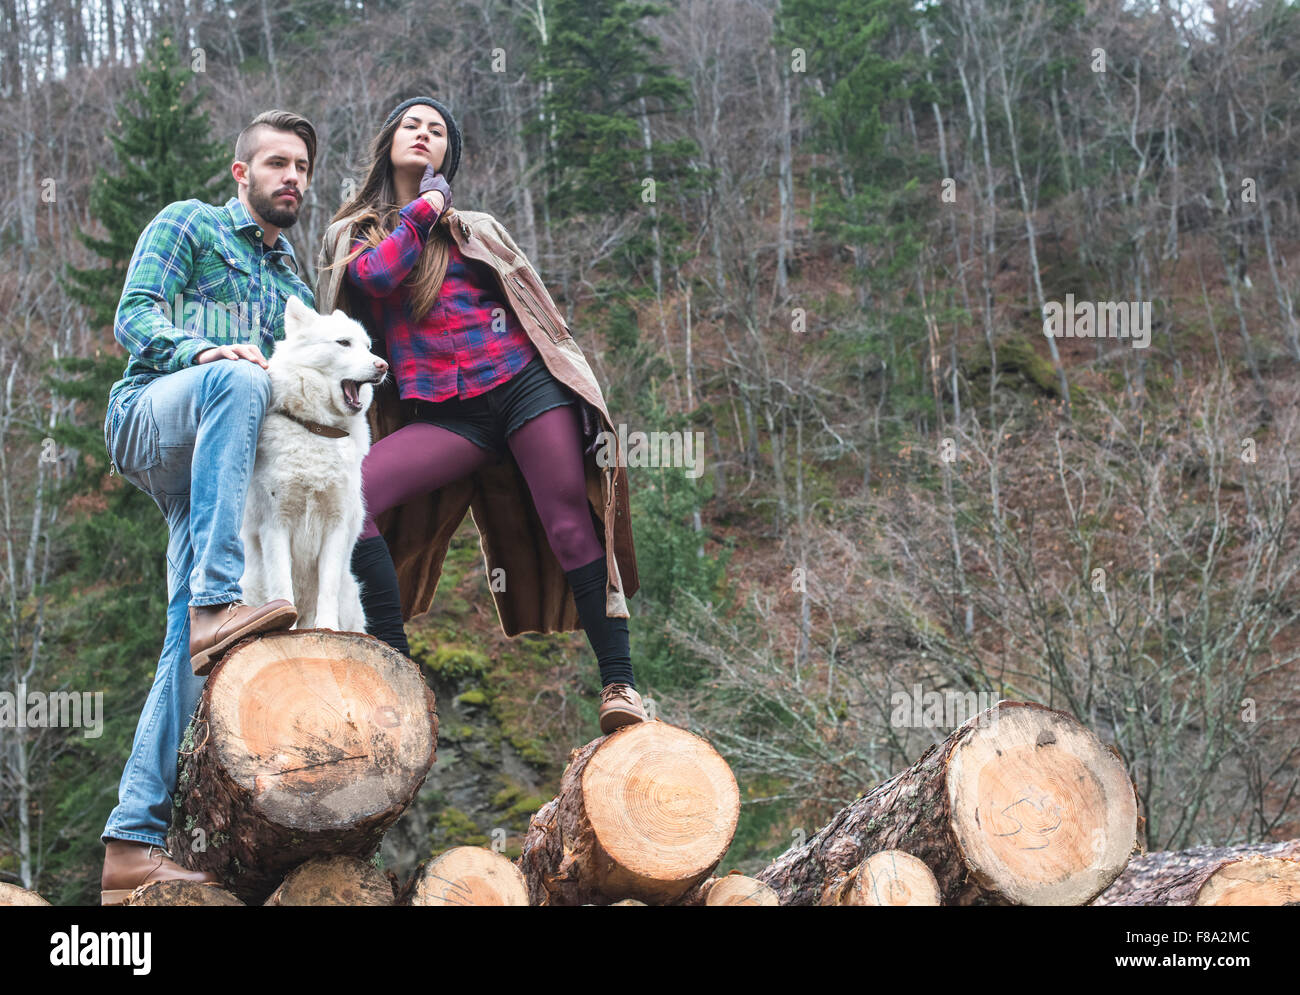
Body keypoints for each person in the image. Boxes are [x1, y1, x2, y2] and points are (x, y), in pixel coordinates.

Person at [317, 96, 646, 735]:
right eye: (412, 125)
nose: (423, 134)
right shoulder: (356, 231)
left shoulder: (475, 228)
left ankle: (621, 687)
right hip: (446, 415)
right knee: (347, 494)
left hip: (523, 388)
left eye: (437, 131)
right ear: (389, 141)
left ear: (448, 155)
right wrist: (425, 209)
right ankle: (396, 663)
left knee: (570, 524)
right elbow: (380, 279)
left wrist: (570, 387)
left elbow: (534, 311)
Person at [99, 110, 319, 905]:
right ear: (241, 173)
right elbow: (136, 316)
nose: (290, 176)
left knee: (185, 651)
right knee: (239, 378)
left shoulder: (297, 286)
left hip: (218, 475)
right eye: (275, 163)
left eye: (300, 166)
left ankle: (132, 837)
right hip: (152, 416)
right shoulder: (188, 225)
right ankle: (216, 601)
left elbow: (303, 391)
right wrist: (203, 350)